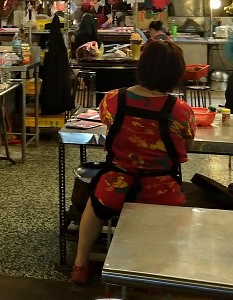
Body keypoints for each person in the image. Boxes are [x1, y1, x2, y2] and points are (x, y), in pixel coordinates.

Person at [71, 39, 196, 284]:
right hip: (162, 190)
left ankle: (80, 264)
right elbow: (185, 148)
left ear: (142, 67)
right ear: (176, 74)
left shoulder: (113, 99)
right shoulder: (181, 110)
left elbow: (109, 129)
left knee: (94, 206)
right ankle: (153, 272)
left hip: (117, 183)